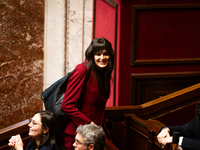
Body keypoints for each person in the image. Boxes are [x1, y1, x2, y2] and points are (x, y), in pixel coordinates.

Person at [61, 37, 114, 149]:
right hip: (78, 136)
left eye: (105, 54)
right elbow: (67, 105)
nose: (102, 58)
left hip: (94, 135)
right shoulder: (82, 70)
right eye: (98, 54)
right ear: (91, 55)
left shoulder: (102, 74)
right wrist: (89, 123)